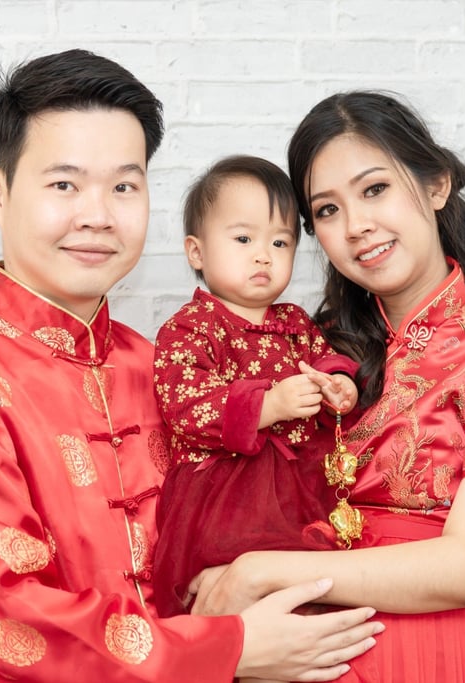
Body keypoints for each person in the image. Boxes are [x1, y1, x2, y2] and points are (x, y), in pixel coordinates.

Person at [0, 50, 382, 683]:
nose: (98, 215)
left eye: (124, 186)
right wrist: (229, 647)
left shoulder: (158, 365)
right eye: (64, 184)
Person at [188, 91, 465, 682]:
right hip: (302, 656)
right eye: (327, 211)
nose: (357, 227)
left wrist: (259, 573)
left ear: (437, 184)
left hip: (445, 654)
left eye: (374, 190)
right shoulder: (310, 351)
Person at [150, 155, 360, 618]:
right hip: (229, 493)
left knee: (309, 593)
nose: (263, 254)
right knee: (234, 590)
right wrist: (268, 405)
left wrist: (337, 385)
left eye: (280, 242)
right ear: (197, 251)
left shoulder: (295, 322)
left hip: (299, 486)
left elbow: (323, 360)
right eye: (244, 239)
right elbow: (184, 404)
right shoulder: (192, 327)